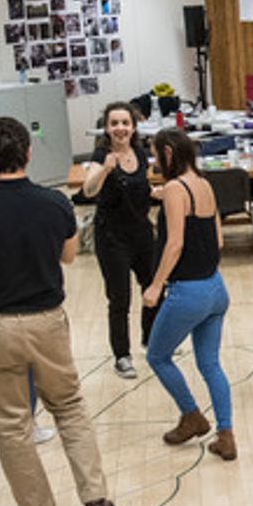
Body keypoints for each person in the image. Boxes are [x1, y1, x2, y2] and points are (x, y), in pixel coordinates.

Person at [0, 117, 115, 506]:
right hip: (47, 321)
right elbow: (69, 257)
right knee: (69, 405)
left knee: (12, 424)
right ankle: (95, 496)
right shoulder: (55, 203)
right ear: (29, 153)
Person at [142, 128, 236, 461]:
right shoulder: (204, 184)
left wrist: (155, 286)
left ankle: (191, 415)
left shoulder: (173, 188)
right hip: (215, 288)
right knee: (210, 363)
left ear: (168, 153)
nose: (154, 161)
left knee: (157, 356)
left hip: (188, 292)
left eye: (155, 154)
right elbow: (219, 241)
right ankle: (226, 435)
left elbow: (176, 242)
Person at [81, 102, 157, 378]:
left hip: (141, 232)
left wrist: (157, 193)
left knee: (153, 289)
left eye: (125, 123)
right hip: (112, 236)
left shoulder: (140, 151)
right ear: (107, 128)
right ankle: (122, 356)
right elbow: (88, 190)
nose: (120, 128)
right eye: (114, 123)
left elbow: (142, 187)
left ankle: (151, 340)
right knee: (119, 297)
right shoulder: (101, 154)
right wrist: (104, 169)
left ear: (133, 127)